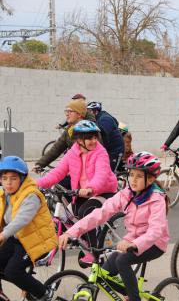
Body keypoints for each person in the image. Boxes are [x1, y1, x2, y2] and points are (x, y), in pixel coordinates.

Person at [58, 152, 169, 301]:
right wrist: (71, 233)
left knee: (122, 261)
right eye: (131, 174)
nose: (133, 180)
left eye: (138, 176)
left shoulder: (157, 199)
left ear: (150, 179)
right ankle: (129, 292)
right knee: (104, 274)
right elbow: (100, 213)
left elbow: (156, 230)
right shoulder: (126, 194)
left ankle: (133, 298)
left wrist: (134, 244)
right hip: (131, 241)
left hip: (154, 243)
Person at [36, 120, 118, 264]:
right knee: (69, 213)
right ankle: (85, 242)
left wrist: (90, 188)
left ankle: (94, 253)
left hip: (103, 191)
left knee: (86, 212)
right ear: (79, 140)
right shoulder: (73, 153)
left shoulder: (101, 152)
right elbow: (58, 172)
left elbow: (102, 175)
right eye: (89, 138)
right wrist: (35, 185)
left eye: (94, 137)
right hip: (82, 192)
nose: (93, 141)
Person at [0, 156, 57, 300]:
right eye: (4, 178)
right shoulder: (4, 194)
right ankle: (25, 284)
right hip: (17, 238)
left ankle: (44, 294)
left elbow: (22, 220)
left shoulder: (31, 195)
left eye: (13, 178)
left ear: (22, 178)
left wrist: (3, 234)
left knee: (12, 271)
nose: (8, 183)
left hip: (35, 241)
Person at [34, 99, 91, 172]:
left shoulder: (89, 131)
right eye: (66, 111)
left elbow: (92, 156)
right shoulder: (70, 129)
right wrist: (40, 164)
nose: (67, 114)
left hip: (87, 173)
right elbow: (57, 148)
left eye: (70, 111)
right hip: (75, 169)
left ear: (79, 114)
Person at [87, 102, 125, 171]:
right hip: (107, 150)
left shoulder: (105, 119)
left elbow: (101, 135)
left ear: (95, 111)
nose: (87, 114)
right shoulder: (98, 119)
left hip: (114, 151)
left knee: (107, 172)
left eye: (89, 111)